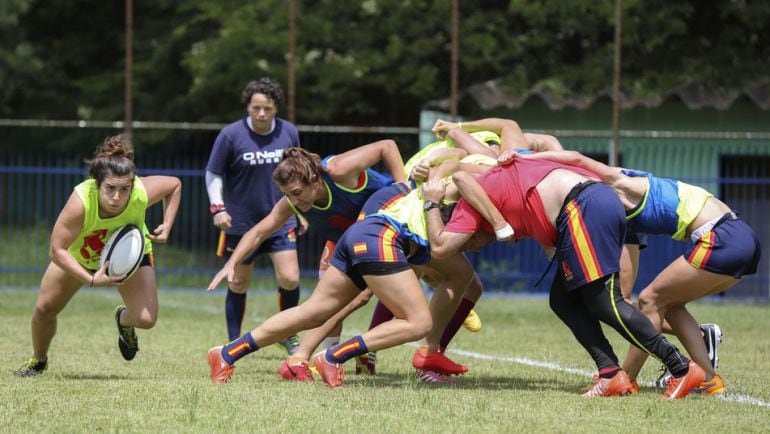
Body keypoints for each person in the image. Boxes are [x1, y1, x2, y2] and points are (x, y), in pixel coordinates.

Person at [421, 121, 707, 399]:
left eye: (469, 246)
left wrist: (431, 200)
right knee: (563, 299)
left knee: (605, 300)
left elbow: (441, 247)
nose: (476, 250)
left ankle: (681, 368)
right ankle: (611, 373)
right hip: (589, 206)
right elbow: (470, 167)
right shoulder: (498, 171)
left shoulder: (469, 207)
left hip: (583, 206)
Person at [510, 149, 761, 394]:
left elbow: (574, 157)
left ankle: (626, 379)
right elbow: (626, 258)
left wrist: (526, 159)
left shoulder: (617, 182)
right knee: (669, 304)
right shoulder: (618, 201)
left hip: (722, 238)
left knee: (649, 300)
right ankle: (708, 379)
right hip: (740, 237)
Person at [207, 180, 481, 387]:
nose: (477, 247)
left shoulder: (430, 205)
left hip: (358, 234)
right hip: (380, 237)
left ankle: (227, 353)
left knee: (313, 312)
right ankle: (334, 356)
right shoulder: (446, 201)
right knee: (419, 322)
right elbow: (389, 147)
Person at [207, 141, 406, 380]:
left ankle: (339, 354)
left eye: (297, 192)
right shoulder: (293, 200)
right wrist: (231, 263)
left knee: (367, 295)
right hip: (349, 242)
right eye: (287, 194)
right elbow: (259, 231)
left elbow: (387, 146)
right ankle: (310, 358)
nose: (294, 200)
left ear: (313, 178)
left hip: (392, 228)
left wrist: (403, 186)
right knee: (320, 308)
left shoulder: (339, 169)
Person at [14, 136, 182, 377]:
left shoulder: (140, 193)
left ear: (133, 186)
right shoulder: (81, 202)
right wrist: (91, 279)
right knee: (44, 310)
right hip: (80, 257)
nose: (117, 197)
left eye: (124, 189)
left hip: (129, 254)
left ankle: (124, 321)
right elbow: (56, 249)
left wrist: (167, 224)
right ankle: (39, 360)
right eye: (110, 189)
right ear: (97, 184)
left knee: (146, 320)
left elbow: (174, 185)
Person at [205, 77, 302, 354]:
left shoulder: (288, 133)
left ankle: (288, 333)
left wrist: (302, 207)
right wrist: (218, 207)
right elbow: (213, 173)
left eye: (267, 109)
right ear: (247, 106)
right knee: (238, 281)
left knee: (291, 278)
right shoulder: (230, 135)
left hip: (282, 220)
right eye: (256, 108)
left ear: (276, 109)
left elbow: (298, 172)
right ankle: (234, 340)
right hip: (241, 223)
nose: (261, 114)